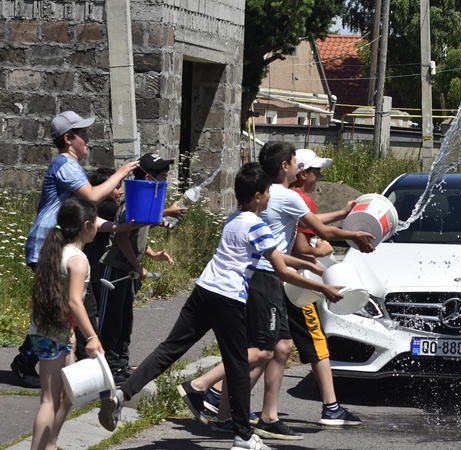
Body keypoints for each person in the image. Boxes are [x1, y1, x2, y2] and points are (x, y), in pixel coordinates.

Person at [99, 163, 342, 449]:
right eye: (266, 193)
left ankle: (123, 393)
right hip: (229, 298)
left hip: (203, 291)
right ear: (257, 196)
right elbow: (282, 271)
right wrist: (324, 288)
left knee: (170, 349)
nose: (268, 197)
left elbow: (275, 257)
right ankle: (243, 436)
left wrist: (310, 265)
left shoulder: (233, 218)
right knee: (238, 364)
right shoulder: (258, 225)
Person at [12, 111, 140, 389]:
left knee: (70, 308)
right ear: (68, 139)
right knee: (61, 309)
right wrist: (121, 172)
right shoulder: (64, 164)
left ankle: (83, 370)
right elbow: (94, 196)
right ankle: (30, 362)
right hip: (48, 247)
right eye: (83, 134)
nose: (89, 140)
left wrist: (121, 228)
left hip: (59, 245)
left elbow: (85, 217)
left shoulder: (72, 168)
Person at [285, 149, 362, 426]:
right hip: (296, 285)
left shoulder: (288, 197)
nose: (319, 176)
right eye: (315, 171)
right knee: (317, 343)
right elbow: (304, 245)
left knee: (270, 348)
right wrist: (323, 251)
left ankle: (217, 393)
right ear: (302, 173)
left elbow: (310, 226)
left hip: (280, 280)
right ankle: (331, 407)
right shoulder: (303, 199)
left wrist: (342, 213)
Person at [96, 153, 185, 384]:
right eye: (162, 175)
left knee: (126, 321)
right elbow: (123, 238)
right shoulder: (133, 202)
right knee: (111, 321)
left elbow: (137, 237)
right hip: (115, 270)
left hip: (129, 271)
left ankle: (122, 365)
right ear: (147, 178)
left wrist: (152, 254)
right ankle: (108, 367)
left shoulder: (147, 202)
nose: (165, 179)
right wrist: (139, 267)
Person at [29, 197, 104, 450]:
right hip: (53, 335)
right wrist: (92, 337)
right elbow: (74, 301)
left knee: (67, 396)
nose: (97, 226)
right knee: (49, 400)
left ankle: (50, 445)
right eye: (95, 222)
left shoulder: (56, 250)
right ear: (86, 225)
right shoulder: (78, 259)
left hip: (54, 332)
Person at [73, 168, 122, 362]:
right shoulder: (105, 208)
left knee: (90, 315)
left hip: (94, 271)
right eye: (117, 187)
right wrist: (166, 212)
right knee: (91, 316)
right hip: (93, 273)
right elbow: (130, 218)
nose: (120, 191)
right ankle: (92, 361)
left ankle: (91, 359)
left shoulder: (101, 208)